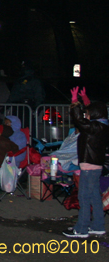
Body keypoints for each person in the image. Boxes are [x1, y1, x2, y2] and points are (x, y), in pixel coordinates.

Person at [62, 89, 108, 238]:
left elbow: (79, 121)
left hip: (89, 167)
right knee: (94, 196)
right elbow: (93, 114)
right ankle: (98, 226)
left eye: (88, 113)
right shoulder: (102, 125)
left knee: (84, 197)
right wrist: (86, 100)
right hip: (95, 166)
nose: (86, 116)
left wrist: (75, 102)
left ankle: (81, 229)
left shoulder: (95, 127)